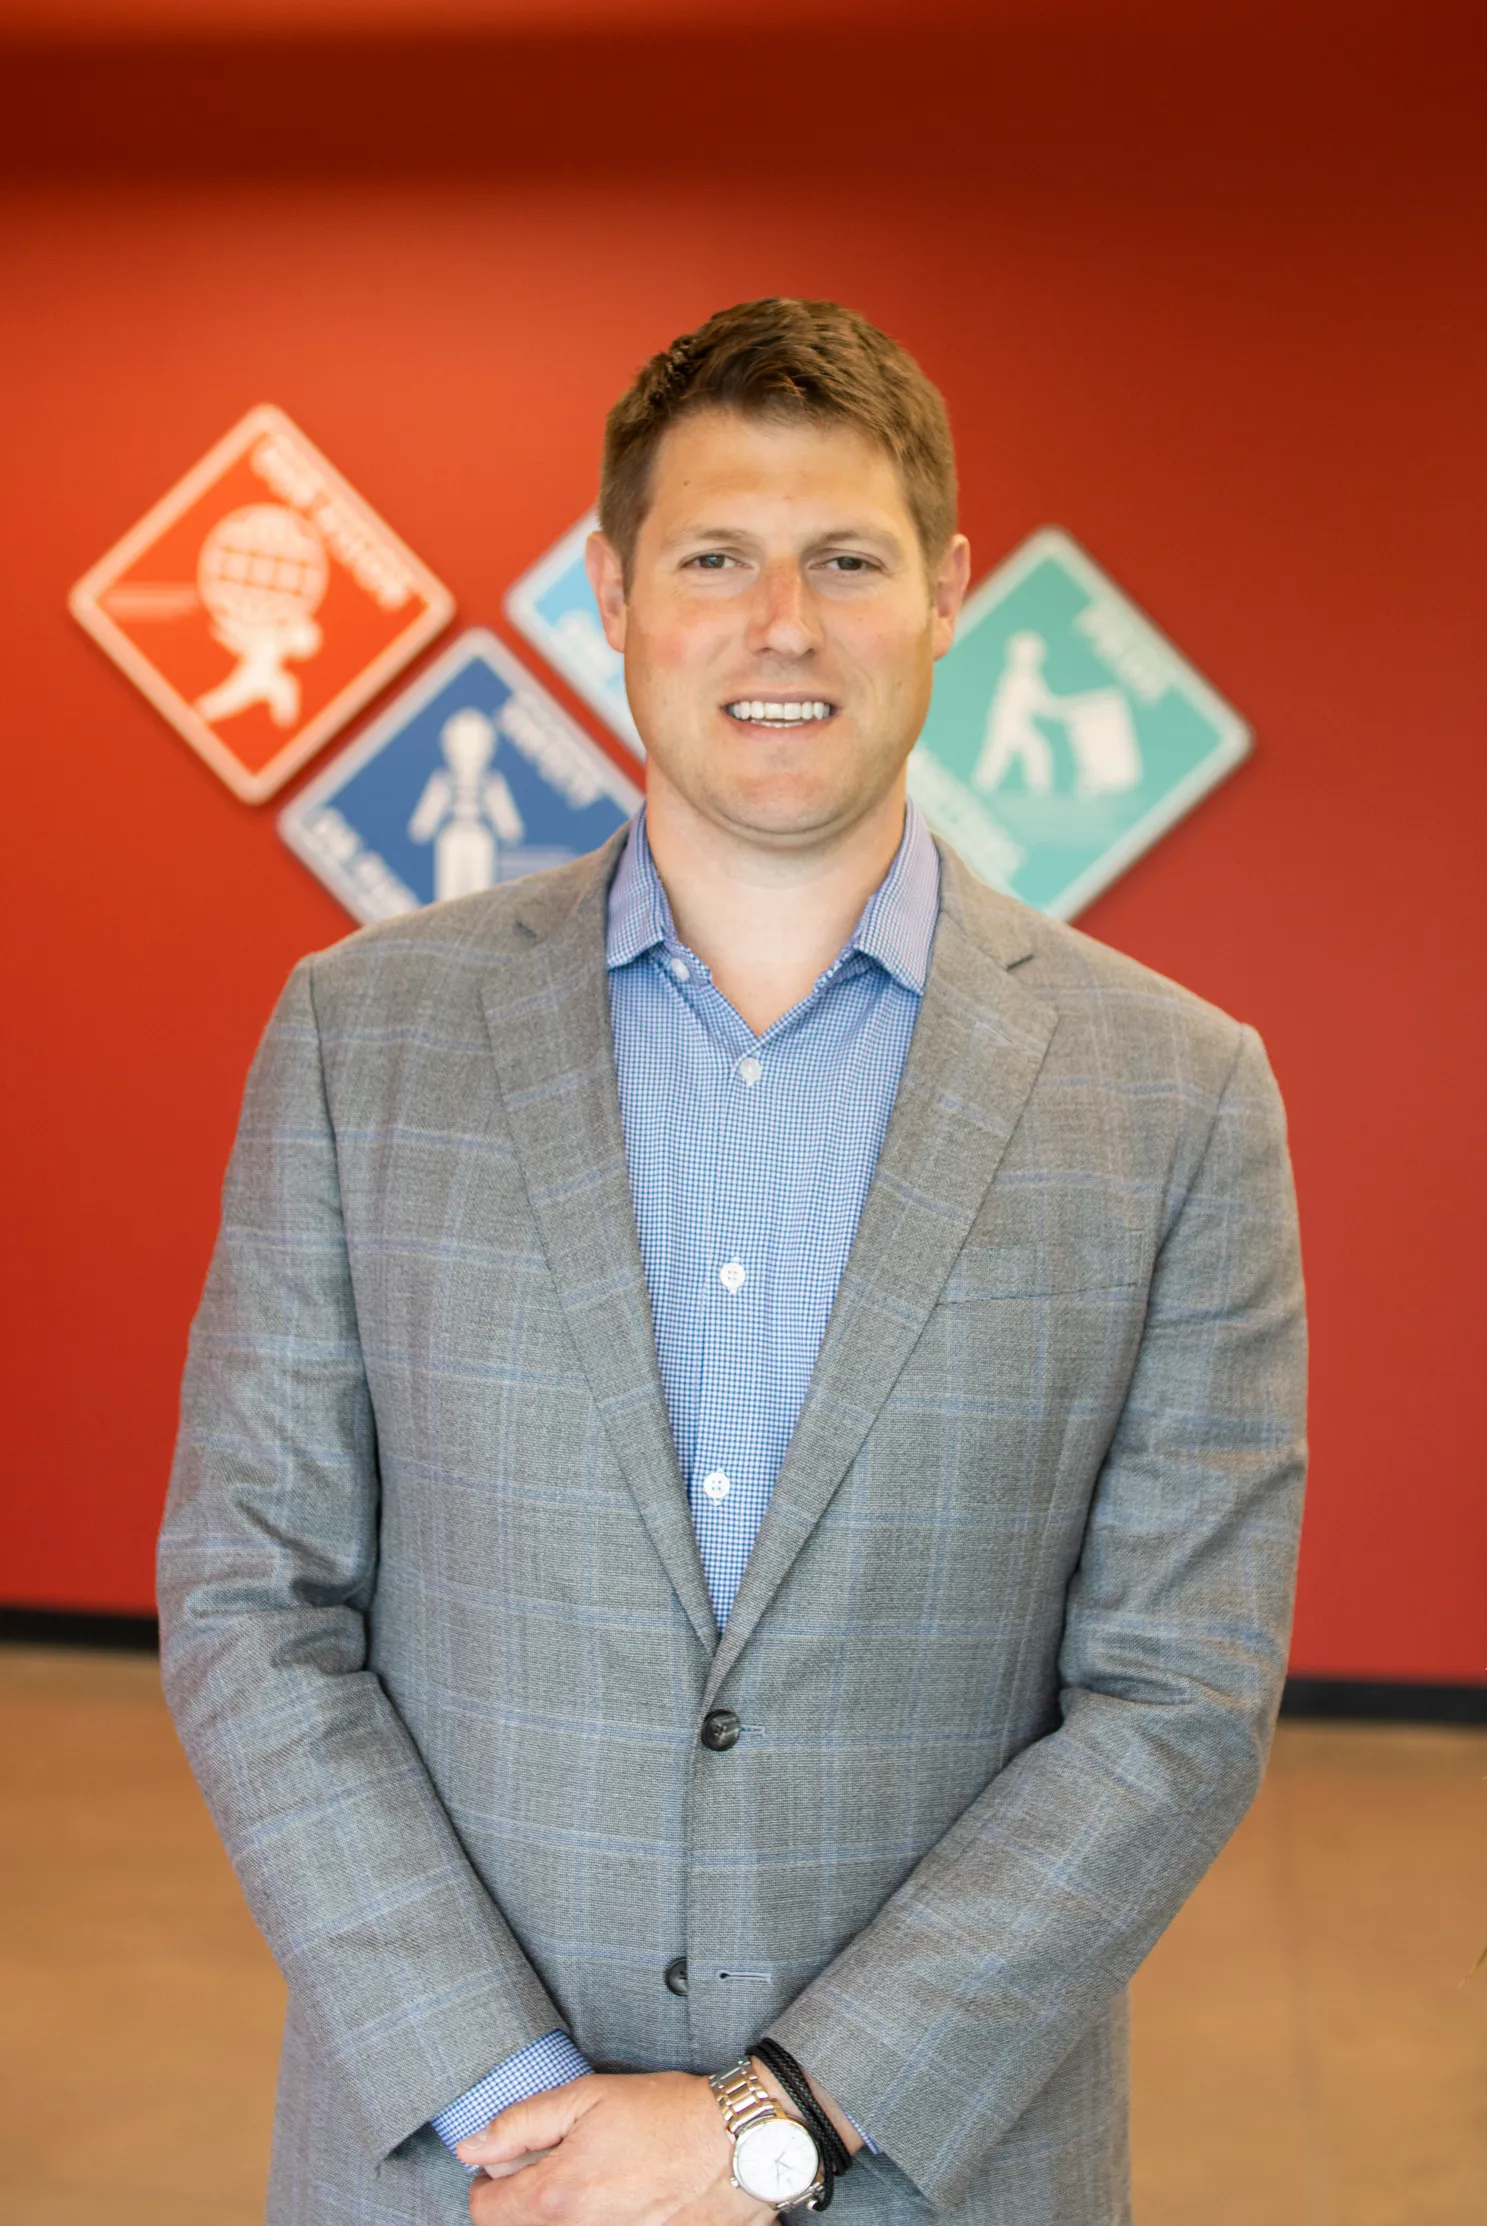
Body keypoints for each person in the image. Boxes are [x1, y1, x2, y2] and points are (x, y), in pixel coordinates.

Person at [159, 297, 1307, 2226]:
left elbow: (1176, 1701)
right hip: (458, 2173)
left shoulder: (1178, 1094)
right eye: (716, 557)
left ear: (947, 592)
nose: (784, 620)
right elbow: (248, 1600)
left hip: (934, 2171)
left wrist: (766, 2124)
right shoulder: (366, 1040)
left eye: (848, 559)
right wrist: (521, 2102)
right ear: (609, 592)